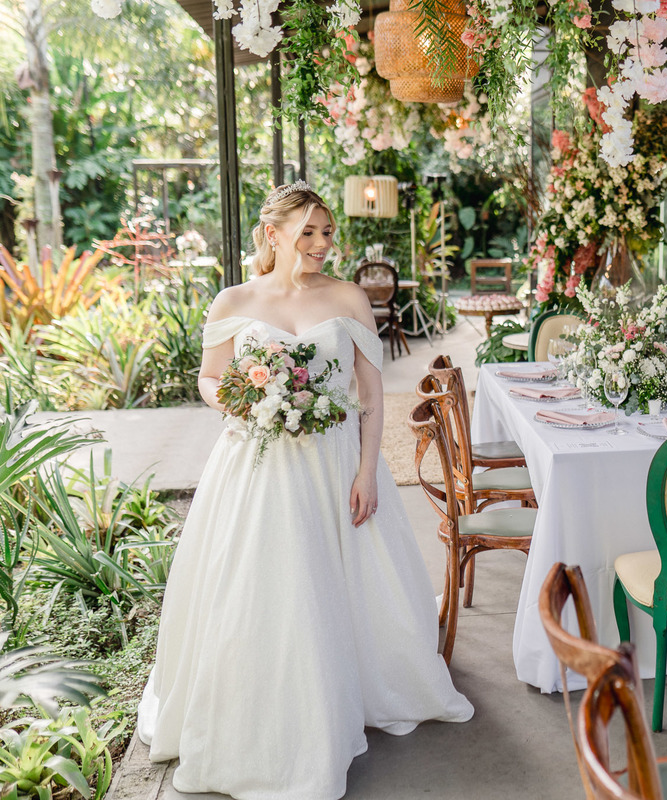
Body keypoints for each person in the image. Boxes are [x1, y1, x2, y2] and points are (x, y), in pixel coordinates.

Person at [137, 181, 473, 799]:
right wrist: (245, 398)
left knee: (336, 580)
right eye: (308, 233)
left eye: (326, 233)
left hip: (335, 461)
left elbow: (371, 395)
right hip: (256, 466)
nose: (320, 245)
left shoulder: (348, 296)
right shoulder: (233, 301)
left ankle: (352, 688)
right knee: (261, 587)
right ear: (274, 234)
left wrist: (368, 471)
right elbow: (210, 380)